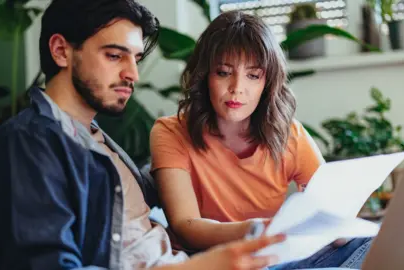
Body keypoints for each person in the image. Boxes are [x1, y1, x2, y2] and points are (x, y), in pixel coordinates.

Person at [0, 1, 287, 269]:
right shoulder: (27, 146)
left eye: (136, 58)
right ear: (61, 51)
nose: (132, 73)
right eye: (115, 55)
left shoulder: (94, 139)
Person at [149, 10, 372, 269]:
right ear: (205, 76)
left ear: (267, 83)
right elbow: (185, 226)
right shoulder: (170, 132)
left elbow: (331, 210)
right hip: (216, 261)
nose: (237, 88)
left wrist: (337, 225)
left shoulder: (289, 134)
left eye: (253, 75)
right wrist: (257, 230)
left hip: (276, 255)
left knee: (371, 243)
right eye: (223, 72)